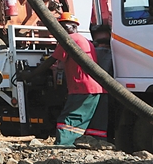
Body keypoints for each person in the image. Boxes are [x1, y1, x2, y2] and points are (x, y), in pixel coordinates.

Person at [18, 12, 103, 146]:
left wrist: (29, 75)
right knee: (88, 120)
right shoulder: (84, 40)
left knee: (69, 119)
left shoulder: (68, 40)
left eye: (62, 27)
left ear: (72, 27)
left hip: (81, 88)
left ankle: (63, 146)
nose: (59, 31)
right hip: (94, 87)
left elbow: (50, 61)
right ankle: (94, 144)